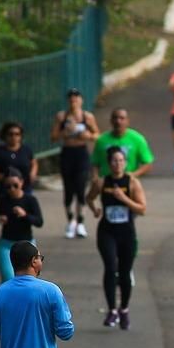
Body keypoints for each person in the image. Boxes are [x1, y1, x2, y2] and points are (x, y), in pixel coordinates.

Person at [87, 146, 147, 329]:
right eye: (114, 160)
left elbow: (142, 209)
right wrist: (95, 209)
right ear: (109, 163)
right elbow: (89, 198)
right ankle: (112, 310)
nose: (118, 164)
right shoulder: (101, 182)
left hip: (126, 232)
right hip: (107, 231)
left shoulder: (132, 183)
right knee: (110, 267)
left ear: (125, 163)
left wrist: (123, 198)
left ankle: (124, 309)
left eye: (121, 160)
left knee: (125, 271)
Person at [50, 87, 99, 239]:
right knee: (69, 188)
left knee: (81, 187)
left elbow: (98, 135)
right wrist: (64, 133)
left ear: (81, 100)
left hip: (81, 152)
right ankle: (70, 220)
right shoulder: (62, 116)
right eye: (71, 98)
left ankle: (81, 221)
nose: (74, 101)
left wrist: (88, 135)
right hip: (67, 153)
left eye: (76, 98)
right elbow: (53, 136)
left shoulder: (87, 117)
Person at [0, 169, 44, 283]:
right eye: (8, 186)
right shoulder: (2, 200)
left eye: (15, 185)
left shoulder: (30, 200)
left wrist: (25, 215)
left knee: (28, 279)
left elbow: (39, 222)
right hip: (6, 245)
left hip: (27, 244)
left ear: (22, 183)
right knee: (9, 278)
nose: (12, 189)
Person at [91, 108, 154, 179]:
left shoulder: (137, 139)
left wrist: (133, 175)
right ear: (111, 121)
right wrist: (95, 178)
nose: (118, 121)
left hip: (129, 184)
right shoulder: (101, 140)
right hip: (106, 183)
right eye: (115, 118)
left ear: (128, 121)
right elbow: (95, 162)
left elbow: (148, 163)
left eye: (122, 118)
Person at [0, 122, 37, 206]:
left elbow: (34, 163)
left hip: (25, 189)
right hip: (4, 192)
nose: (14, 137)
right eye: (10, 134)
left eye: (17, 134)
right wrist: (9, 178)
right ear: (5, 135)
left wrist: (33, 173)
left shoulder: (26, 150)